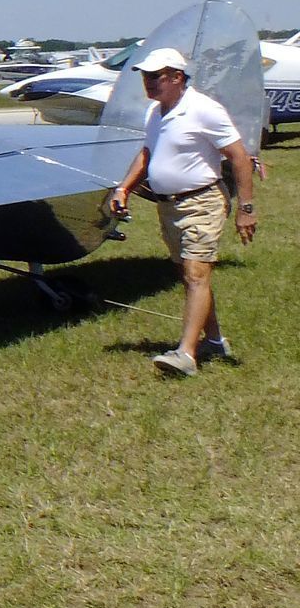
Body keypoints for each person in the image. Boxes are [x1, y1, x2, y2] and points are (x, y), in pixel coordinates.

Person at [108, 47, 259, 377]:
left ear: (177, 77)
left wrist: (245, 209)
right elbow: (148, 154)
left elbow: (239, 157)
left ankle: (186, 354)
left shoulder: (203, 110)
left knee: (195, 275)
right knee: (191, 276)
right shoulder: (157, 112)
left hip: (201, 201)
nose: (148, 83)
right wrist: (124, 188)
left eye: (155, 77)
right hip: (169, 206)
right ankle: (215, 341)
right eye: (145, 78)